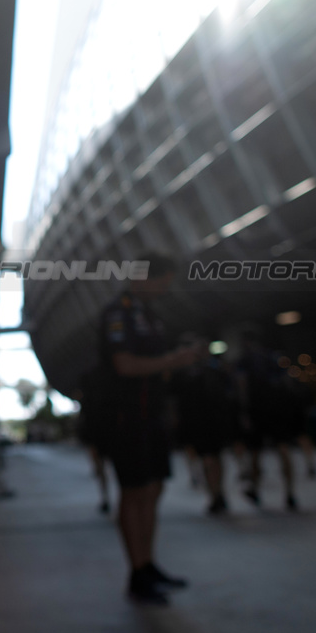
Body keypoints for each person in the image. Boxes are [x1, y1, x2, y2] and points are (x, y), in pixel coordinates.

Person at [98, 253, 205, 605]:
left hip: (152, 415)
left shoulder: (150, 316)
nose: (164, 289)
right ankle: (137, 572)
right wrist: (173, 360)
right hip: (127, 417)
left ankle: (148, 563)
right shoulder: (119, 314)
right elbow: (125, 365)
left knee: (154, 488)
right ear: (143, 277)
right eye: (162, 281)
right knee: (134, 491)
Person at [237, 332, 301, 511]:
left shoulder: (245, 360)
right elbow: (287, 382)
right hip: (278, 410)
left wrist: (244, 411)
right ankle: (290, 493)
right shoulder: (273, 358)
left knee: (256, 453)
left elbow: (242, 386)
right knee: (283, 448)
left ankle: (255, 489)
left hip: (258, 410)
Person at [174, 345, 237, 514]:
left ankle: (215, 493)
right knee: (213, 459)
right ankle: (216, 492)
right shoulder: (208, 371)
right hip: (209, 422)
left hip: (204, 422)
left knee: (210, 459)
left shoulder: (189, 373)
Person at [75, 370, 113, 515]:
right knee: (102, 468)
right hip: (101, 431)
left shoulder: (87, 383)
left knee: (101, 468)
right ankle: (106, 497)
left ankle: (106, 497)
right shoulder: (91, 383)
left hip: (101, 431)